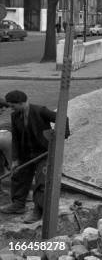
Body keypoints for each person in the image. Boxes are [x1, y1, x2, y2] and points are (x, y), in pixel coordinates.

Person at [0, 90, 70, 223]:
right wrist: (15, 159)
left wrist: (62, 136)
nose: (11, 109)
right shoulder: (15, 116)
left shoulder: (40, 111)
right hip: (26, 153)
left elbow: (63, 119)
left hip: (43, 153)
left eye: (13, 105)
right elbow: (15, 138)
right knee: (18, 176)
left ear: (21, 102)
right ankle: (18, 205)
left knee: (41, 182)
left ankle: (38, 210)